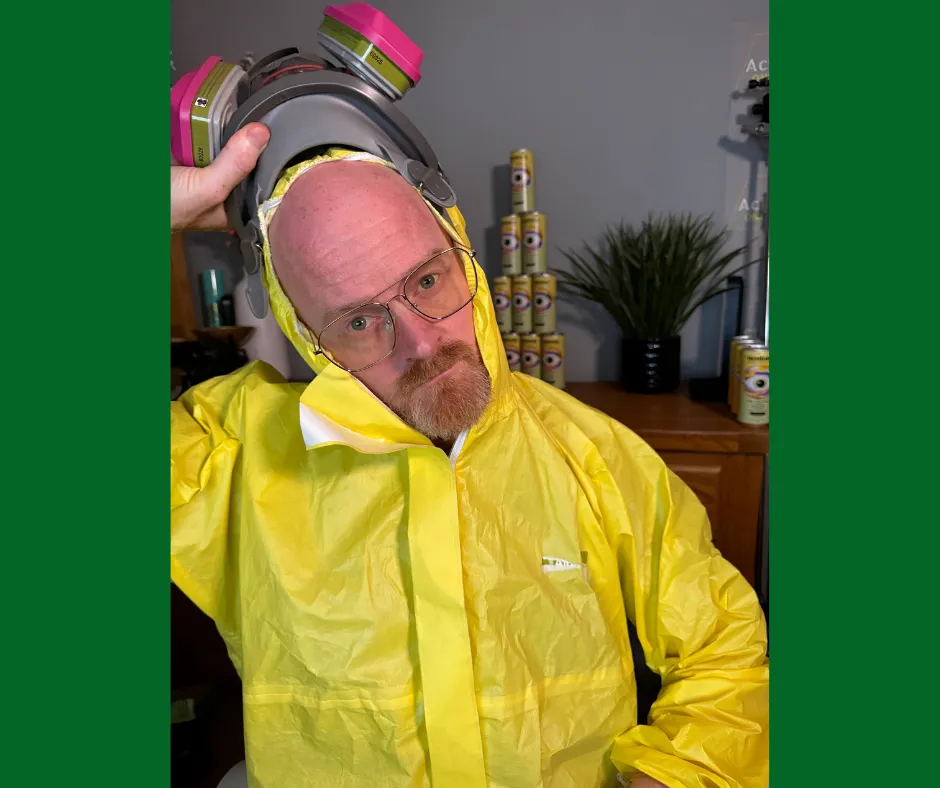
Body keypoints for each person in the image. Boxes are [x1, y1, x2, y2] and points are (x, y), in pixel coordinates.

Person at [171, 143, 769, 788]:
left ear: (463, 256)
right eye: (361, 321)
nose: (423, 343)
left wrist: (672, 776)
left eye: (428, 281)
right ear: (305, 334)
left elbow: (725, 652)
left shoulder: (593, 454)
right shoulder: (233, 453)